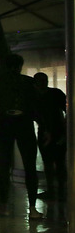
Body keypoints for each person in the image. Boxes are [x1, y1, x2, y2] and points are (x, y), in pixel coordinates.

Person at [0, 54, 41, 218]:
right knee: (30, 166)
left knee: (4, 166)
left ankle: (4, 206)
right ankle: (33, 209)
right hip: (25, 124)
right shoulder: (29, 82)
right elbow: (37, 107)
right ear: (21, 66)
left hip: (5, 125)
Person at [33, 72, 66, 201]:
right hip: (56, 131)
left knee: (51, 162)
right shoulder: (55, 94)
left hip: (49, 131)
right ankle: (59, 190)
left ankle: (53, 190)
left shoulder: (35, 97)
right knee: (58, 162)